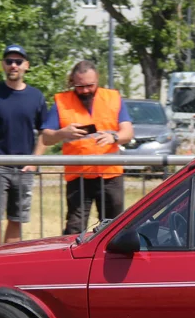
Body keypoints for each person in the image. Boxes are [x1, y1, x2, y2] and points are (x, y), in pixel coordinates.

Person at [40, 60, 134, 236]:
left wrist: (114, 137)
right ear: (72, 82)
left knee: (114, 228)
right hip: (78, 176)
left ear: (97, 79)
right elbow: (46, 138)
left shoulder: (113, 97)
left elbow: (128, 132)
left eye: (89, 85)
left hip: (110, 175)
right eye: (79, 86)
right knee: (74, 228)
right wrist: (62, 133)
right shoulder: (62, 101)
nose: (85, 90)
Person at [0, 45, 48, 247]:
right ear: (3, 65)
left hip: (24, 168)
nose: (13, 65)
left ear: (26, 66)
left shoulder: (36, 97)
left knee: (16, 219)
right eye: (9, 61)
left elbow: (45, 133)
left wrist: (34, 161)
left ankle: (6, 264)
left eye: (18, 61)